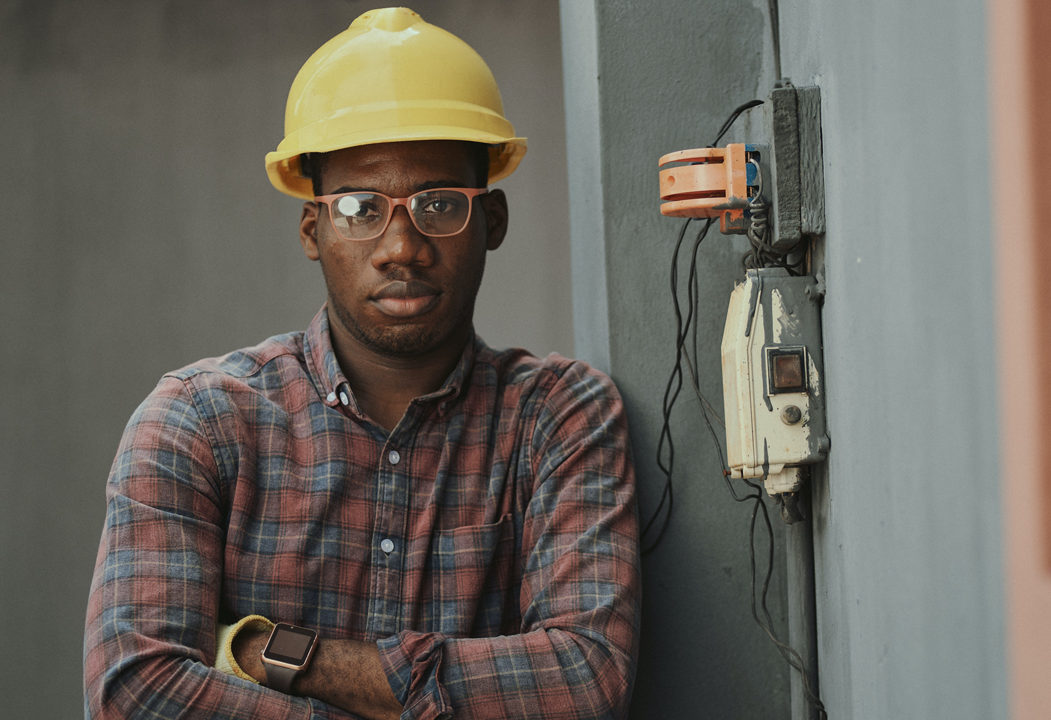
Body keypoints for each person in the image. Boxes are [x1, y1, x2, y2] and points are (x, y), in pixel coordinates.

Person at [83, 8, 639, 719]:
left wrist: (281, 655)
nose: (401, 246)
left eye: (439, 203)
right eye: (358, 207)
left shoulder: (559, 416)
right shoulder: (199, 423)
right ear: (314, 229)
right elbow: (136, 691)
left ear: (492, 222)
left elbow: (585, 680)